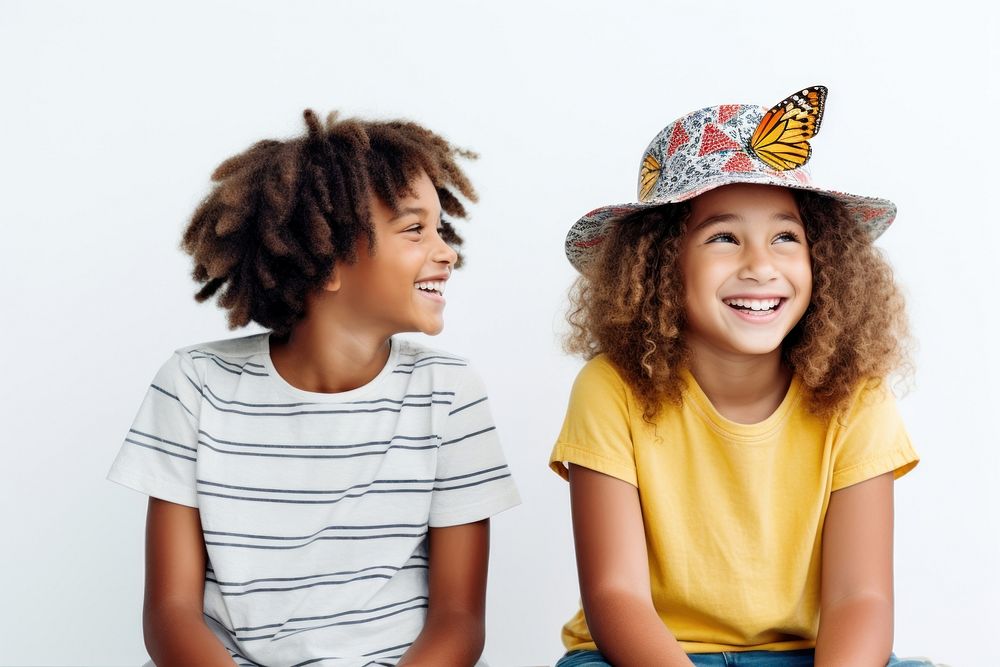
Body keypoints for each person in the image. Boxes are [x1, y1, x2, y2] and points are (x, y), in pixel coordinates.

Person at [108, 110, 520, 667]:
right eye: (415, 229)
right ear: (327, 261)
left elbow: (459, 620)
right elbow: (171, 613)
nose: (446, 252)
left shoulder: (448, 394)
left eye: (442, 229)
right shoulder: (194, 387)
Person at [549, 86, 935, 666]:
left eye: (786, 237)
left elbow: (862, 598)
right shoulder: (612, 388)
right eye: (724, 238)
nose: (761, 265)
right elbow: (615, 596)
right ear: (660, 265)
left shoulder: (858, 397)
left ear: (822, 260)